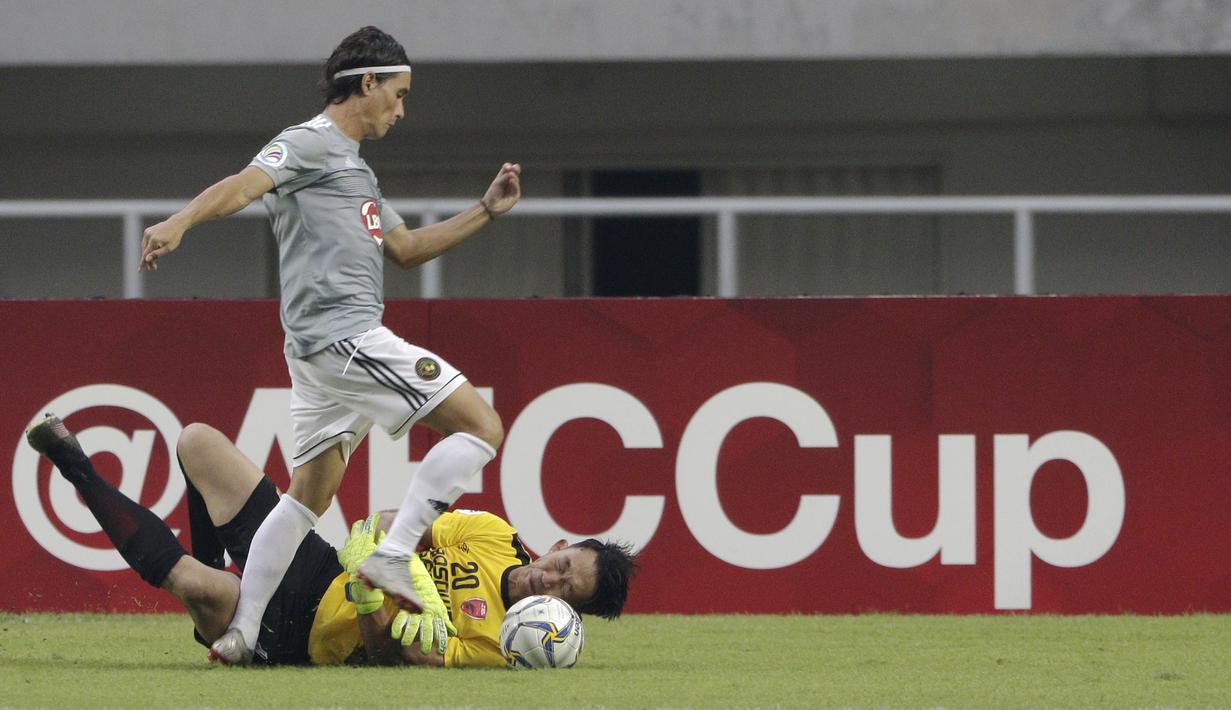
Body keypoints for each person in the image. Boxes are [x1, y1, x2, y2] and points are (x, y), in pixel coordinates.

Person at [136, 26, 521, 663]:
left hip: (319, 354)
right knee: (482, 426)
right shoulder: (308, 142)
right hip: (344, 338)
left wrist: (485, 209)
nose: (402, 109)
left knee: (305, 498)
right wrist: (180, 222)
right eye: (397, 94)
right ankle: (395, 554)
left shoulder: (357, 172)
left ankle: (243, 633)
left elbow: (405, 250)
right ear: (366, 83)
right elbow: (243, 183)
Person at [26, 413, 637, 667]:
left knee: (193, 583)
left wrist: (375, 604)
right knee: (196, 441)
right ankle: (222, 581)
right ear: (558, 543)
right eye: (561, 564)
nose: (549, 579)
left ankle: (73, 462)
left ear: (568, 614)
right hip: (318, 568)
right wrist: (395, 558)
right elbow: (394, 521)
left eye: (565, 589)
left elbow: (386, 658)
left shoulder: (502, 642)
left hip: (304, 636)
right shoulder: (493, 534)